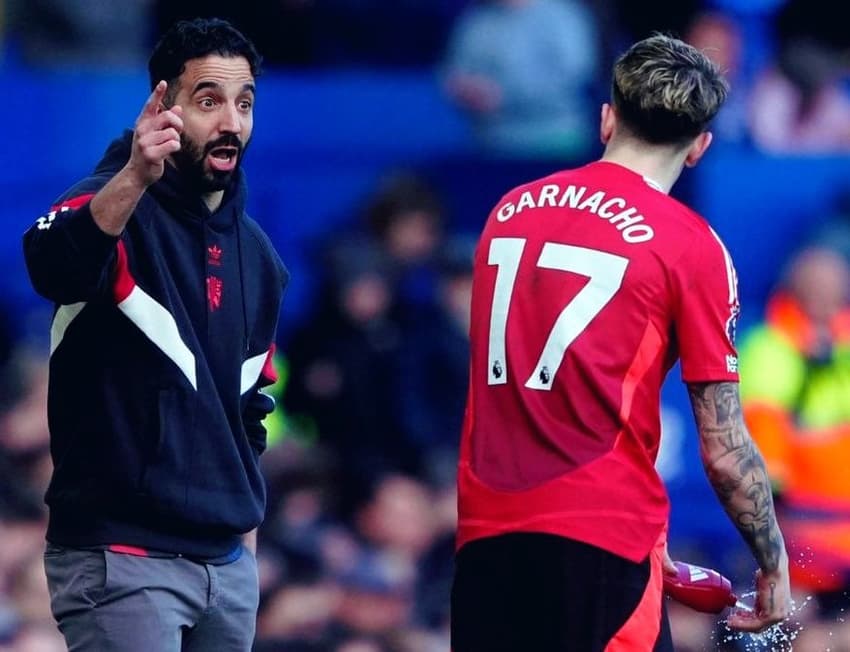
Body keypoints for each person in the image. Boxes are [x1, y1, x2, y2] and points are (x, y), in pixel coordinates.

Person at [451, 34, 791, 652]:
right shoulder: (691, 246)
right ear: (699, 149)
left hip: (486, 538)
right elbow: (723, 448)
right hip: (602, 537)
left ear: (607, 117)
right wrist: (772, 559)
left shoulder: (509, 210)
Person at [22, 18, 288, 652]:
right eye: (208, 101)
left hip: (225, 571)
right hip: (122, 558)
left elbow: (253, 410)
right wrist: (137, 177)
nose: (231, 122)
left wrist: (241, 546)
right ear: (163, 107)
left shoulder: (260, 257)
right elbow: (51, 263)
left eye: (244, 103)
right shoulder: (107, 203)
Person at [738, 248, 850, 621]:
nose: (825, 296)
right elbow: (765, 457)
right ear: (795, 288)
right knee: (806, 628)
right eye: (816, 286)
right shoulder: (769, 349)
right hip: (801, 533)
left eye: (833, 286)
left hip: (840, 529)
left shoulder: (844, 343)